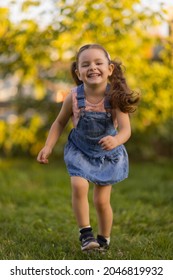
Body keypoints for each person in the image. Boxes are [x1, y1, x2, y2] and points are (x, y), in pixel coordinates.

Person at [37, 44, 139, 252]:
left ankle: (103, 239)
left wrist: (116, 140)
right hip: (80, 150)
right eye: (86, 64)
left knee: (101, 201)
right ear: (79, 73)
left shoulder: (115, 98)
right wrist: (48, 147)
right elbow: (59, 123)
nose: (92, 67)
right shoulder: (73, 97)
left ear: (109, 69)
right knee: (79, 185)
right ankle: (86, 234)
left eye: (98, 63)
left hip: (106, 153)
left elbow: (126, 130)